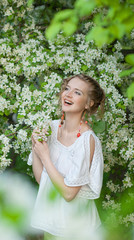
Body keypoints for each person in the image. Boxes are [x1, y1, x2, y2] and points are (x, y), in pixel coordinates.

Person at [28, 74, 105, 239]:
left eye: (77, 92)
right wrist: (36, 146)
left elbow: (69, 194)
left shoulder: (87, 140)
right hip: (52, 224)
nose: (68, 94)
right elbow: (43, 180)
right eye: (67, 89)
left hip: (77, 229)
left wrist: (45, 155)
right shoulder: (51, 128)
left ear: (88, 103)